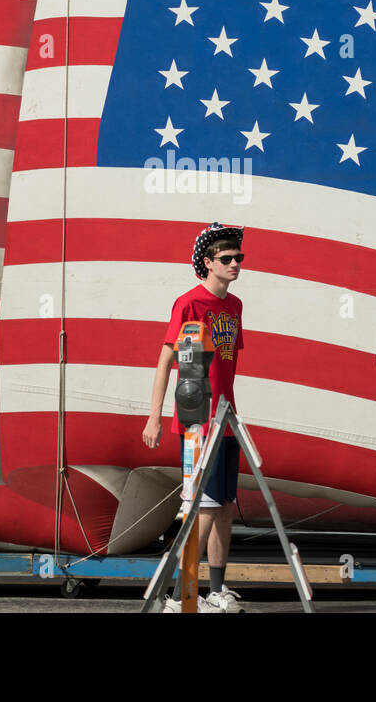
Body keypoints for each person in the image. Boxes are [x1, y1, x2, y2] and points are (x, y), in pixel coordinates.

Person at [143, 222, 246, 613]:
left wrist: (233, 414)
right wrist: (154, 417)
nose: (235, 263)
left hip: (227, 417)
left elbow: (226, 363)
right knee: (202, 507)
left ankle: (216, 589)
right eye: (226, 258)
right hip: (198, 421)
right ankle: (178, 594)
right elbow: (165, 361)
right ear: (207, 263)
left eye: (239, 257)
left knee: (223, 506)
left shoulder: (234, 306)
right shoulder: (188, 303)